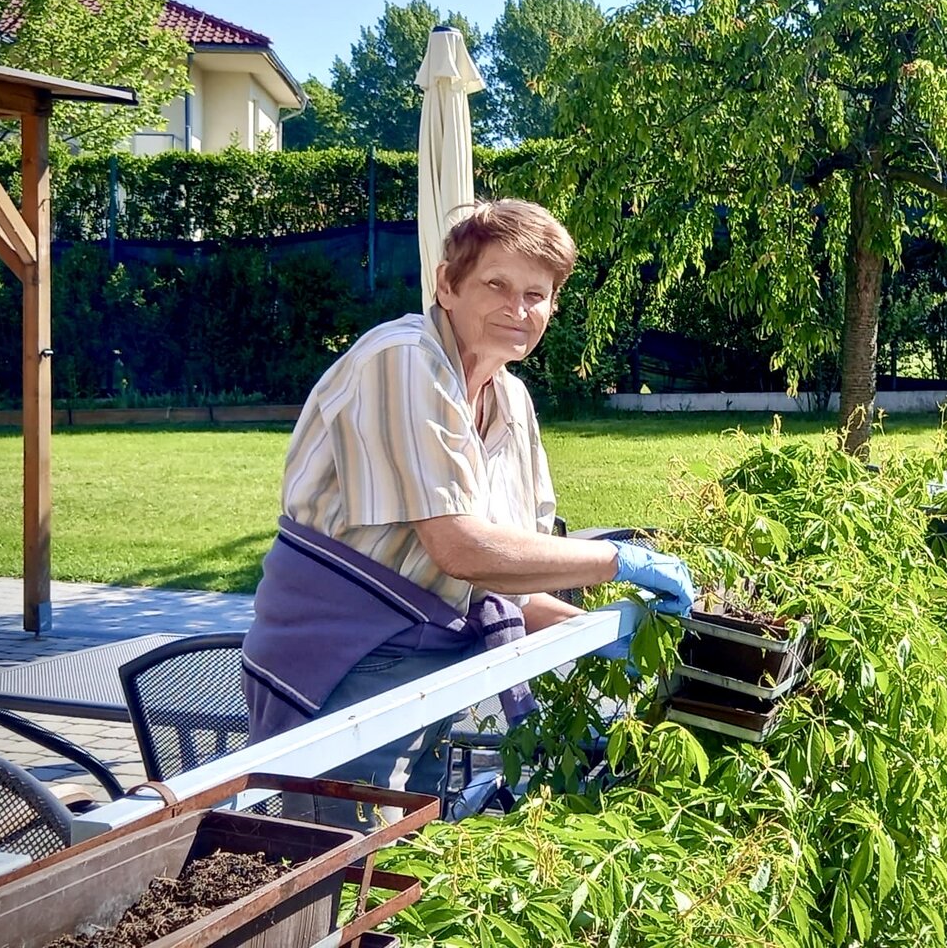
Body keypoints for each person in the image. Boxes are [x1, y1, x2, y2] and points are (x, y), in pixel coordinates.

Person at [241, 198, 695, 823]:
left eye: (536, 295)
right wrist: (619, 561)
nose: (518, 309)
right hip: (346, 661)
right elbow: (460, 549)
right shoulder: (403, 359)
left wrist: (600, 634)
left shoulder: (510, 400)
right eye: (496, 285)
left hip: (440, 669)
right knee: (348, 859)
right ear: (447, 285)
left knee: (419, 849)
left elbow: (504, 581)